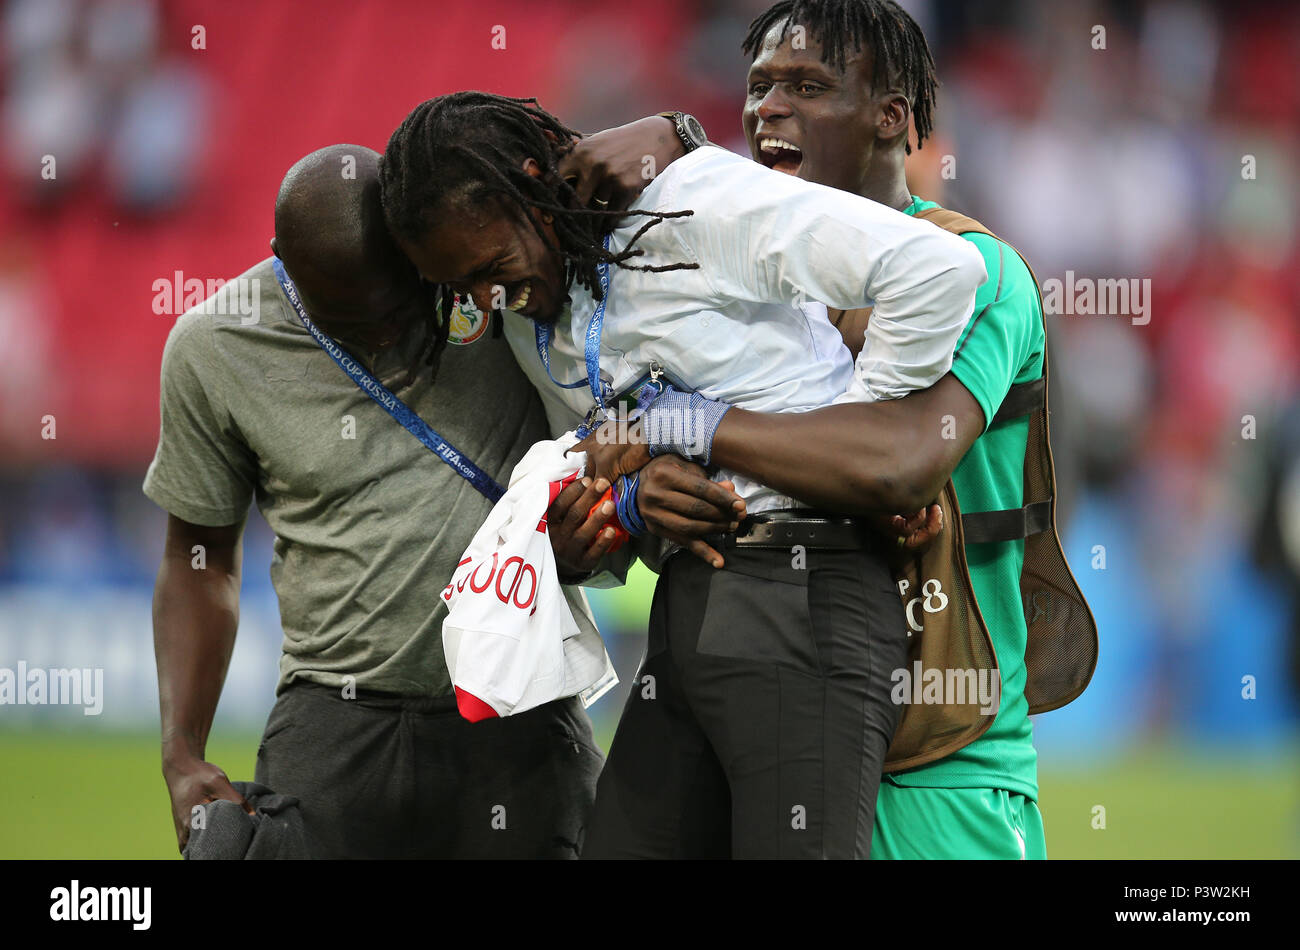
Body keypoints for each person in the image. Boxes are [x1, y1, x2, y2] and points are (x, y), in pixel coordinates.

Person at [378, 91, 987, 857]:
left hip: (807, 583)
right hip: (690, 599)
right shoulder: (533, 323)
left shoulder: (693, 203)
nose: (485, 299)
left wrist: (862, 445)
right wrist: (620, 510)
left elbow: (937, 270)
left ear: (532, 187)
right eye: (458, 288)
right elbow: (619, 455)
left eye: (488, 268)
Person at [145, 141, 740, 859]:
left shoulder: (494, 283)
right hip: (335, 719)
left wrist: (669, 132)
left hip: (519, 711)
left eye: (405, 303)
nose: (394, 332)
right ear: (287, 270)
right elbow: (198, 559)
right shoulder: (215, 347)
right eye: (360, 325)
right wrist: (181, 751)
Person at [584, 0, 1079, 859]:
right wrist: (646, 490)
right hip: (769, 732)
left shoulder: (974, 270)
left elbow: (897, 464)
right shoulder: (757, 287)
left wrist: (689, 424)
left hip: (940, 763)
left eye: (808, 86)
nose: (769, 108)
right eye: (760, 87)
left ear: (892, 116)